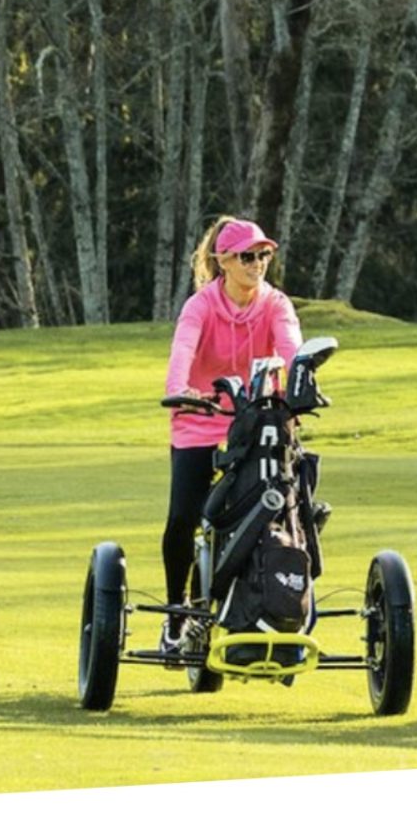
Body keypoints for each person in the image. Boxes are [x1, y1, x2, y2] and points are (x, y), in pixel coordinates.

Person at [161, 216, 303, 652]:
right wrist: (178, 391)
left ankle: (275, 601)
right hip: (200, 418)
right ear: (224, 261)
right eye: (247, 256)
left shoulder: (276, 304)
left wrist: (297, 389)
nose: (257, 263)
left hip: (258, 422)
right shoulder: (200, 306)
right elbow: (183, 349)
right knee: (185, 516)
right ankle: (177, 614)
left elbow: (292, 349)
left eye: (263, 255)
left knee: (284, 510)